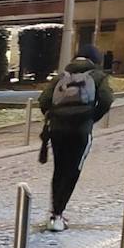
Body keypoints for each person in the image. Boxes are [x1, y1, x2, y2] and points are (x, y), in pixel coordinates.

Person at [37, 44, 114, 232]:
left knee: (59, 169)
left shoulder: (61, 77)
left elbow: (43, 101)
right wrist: (89, 117)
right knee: (72, 171)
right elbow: (106, 100)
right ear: (95, 60)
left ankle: (55, 211)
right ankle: (58, 215)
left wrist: (56, 116)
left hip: (57, 130)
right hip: (80, 131)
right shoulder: (98, 76)